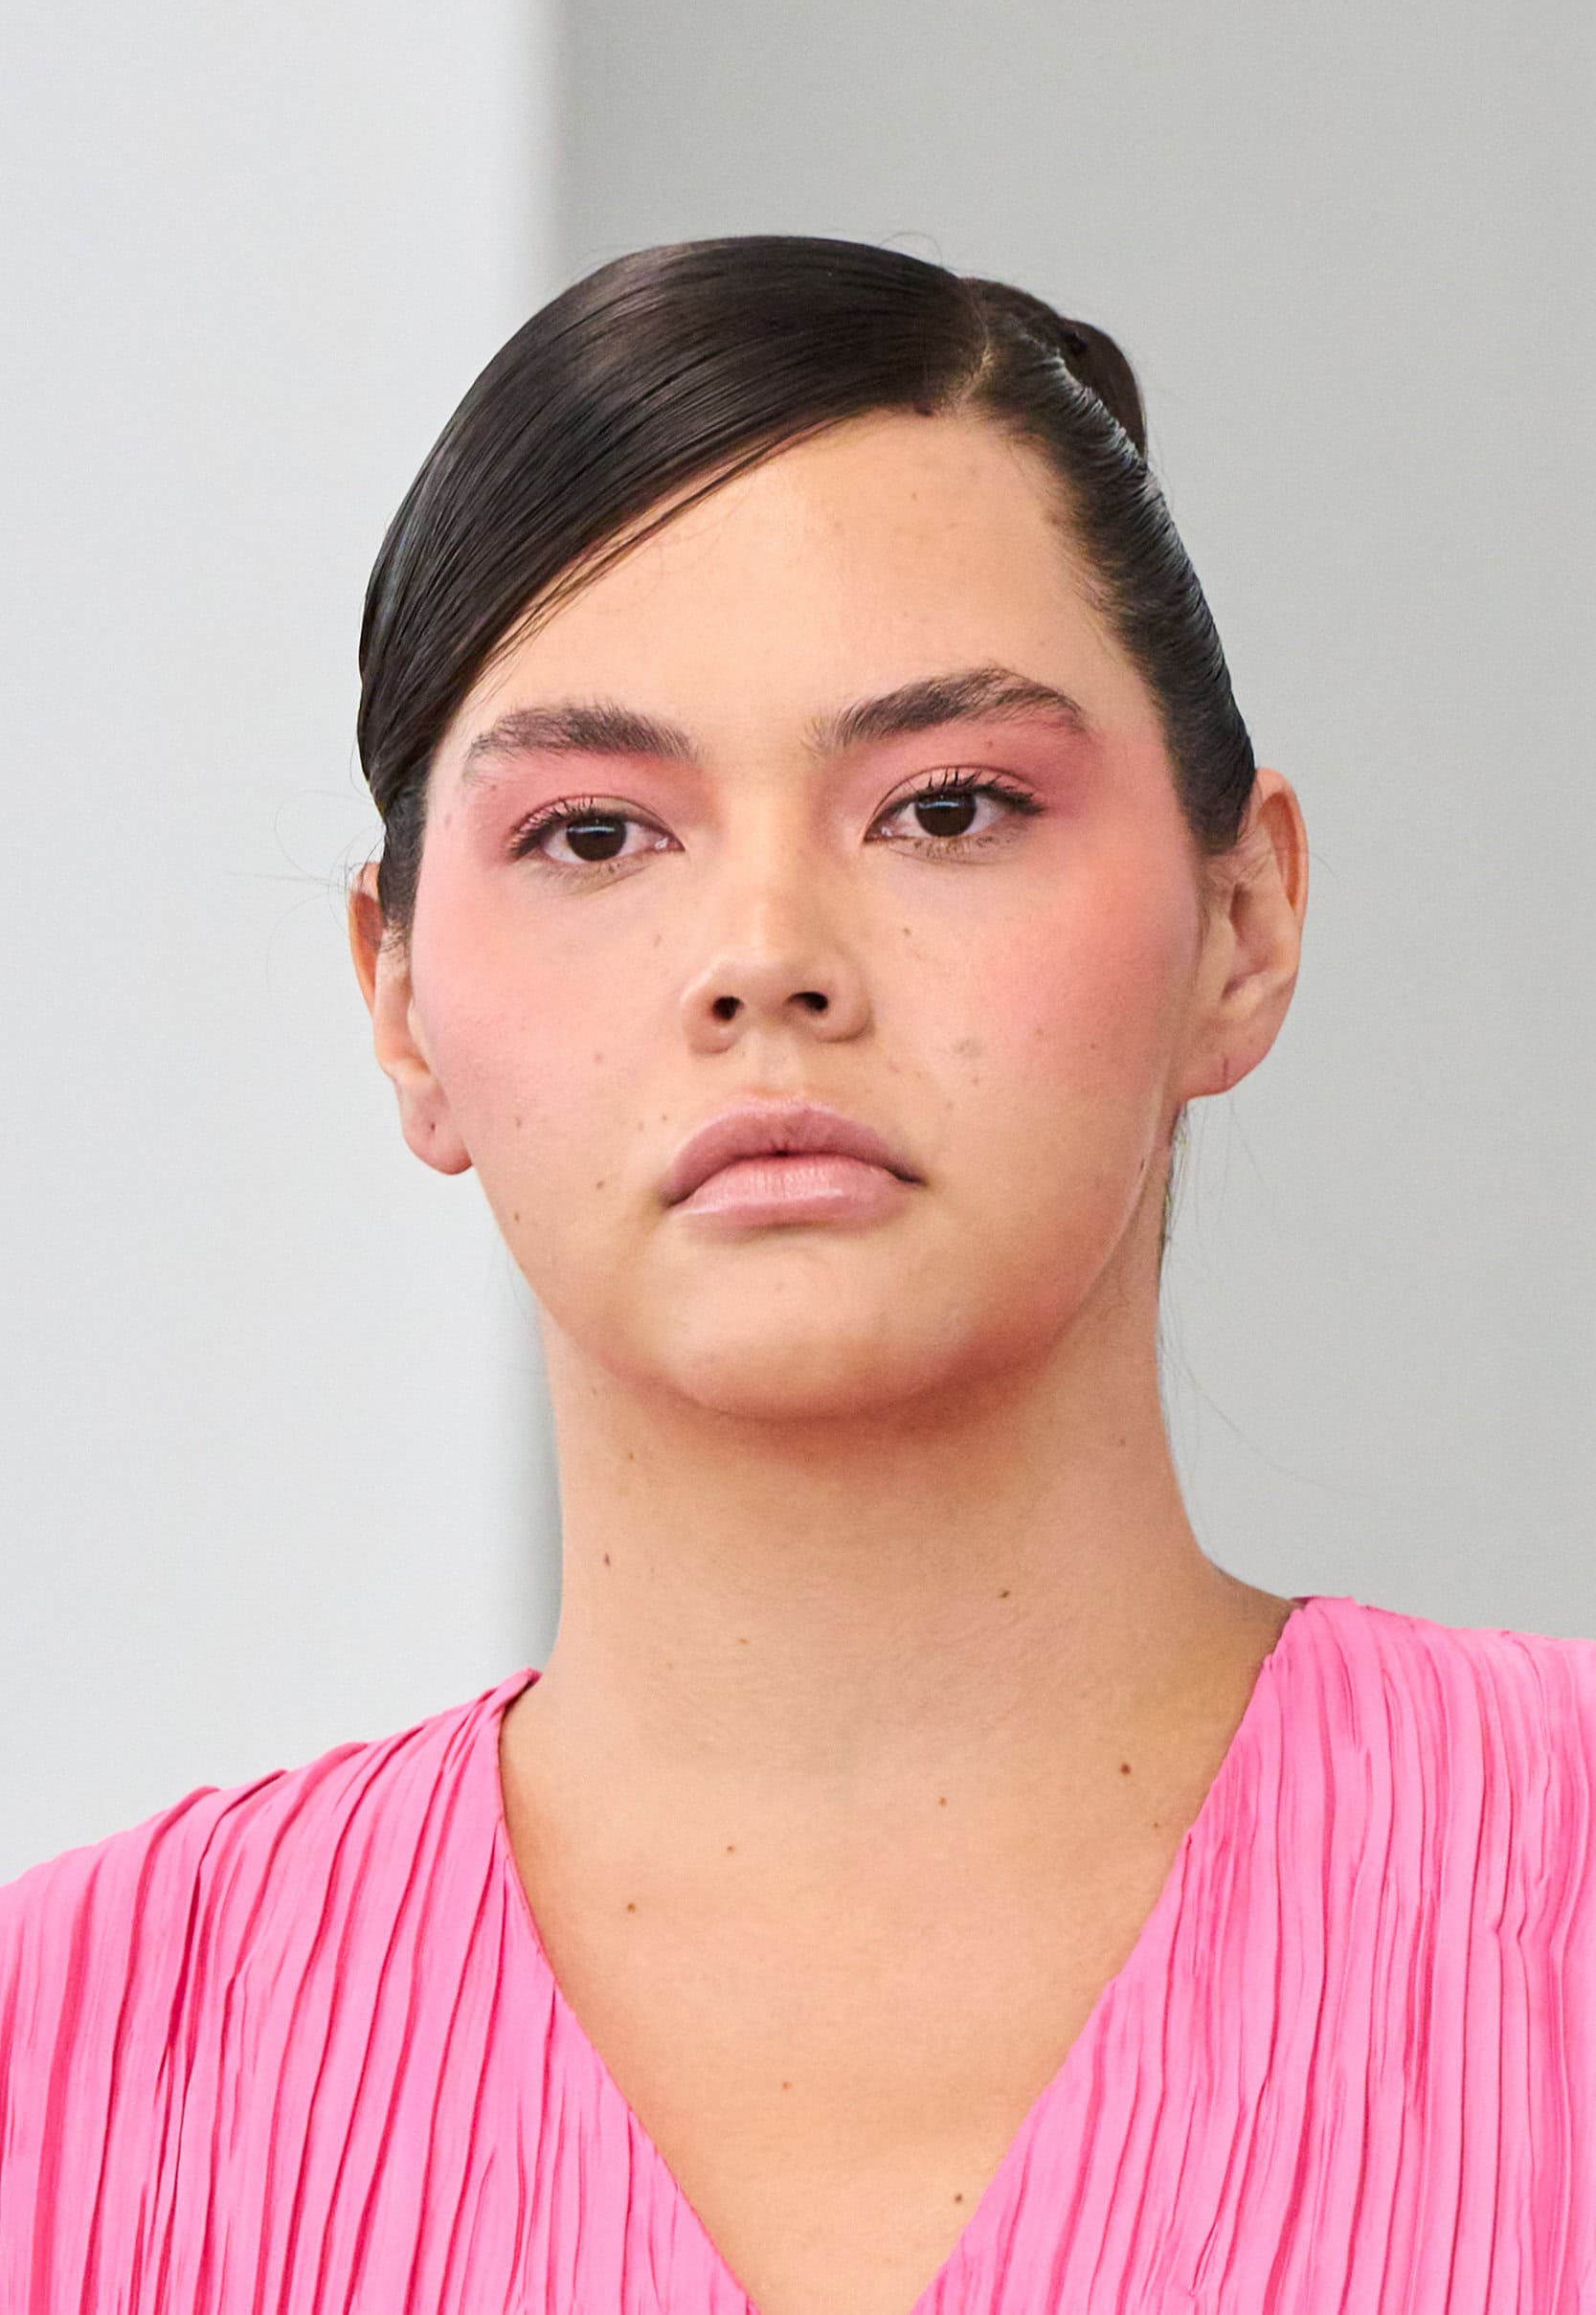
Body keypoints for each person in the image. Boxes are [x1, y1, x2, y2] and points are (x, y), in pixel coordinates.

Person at [1, 236, 1591, 2315]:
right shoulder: (64, 2074)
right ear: (397, 997)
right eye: (594, 835)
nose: (768, 957)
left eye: (948, 807)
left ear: (1246, 918)